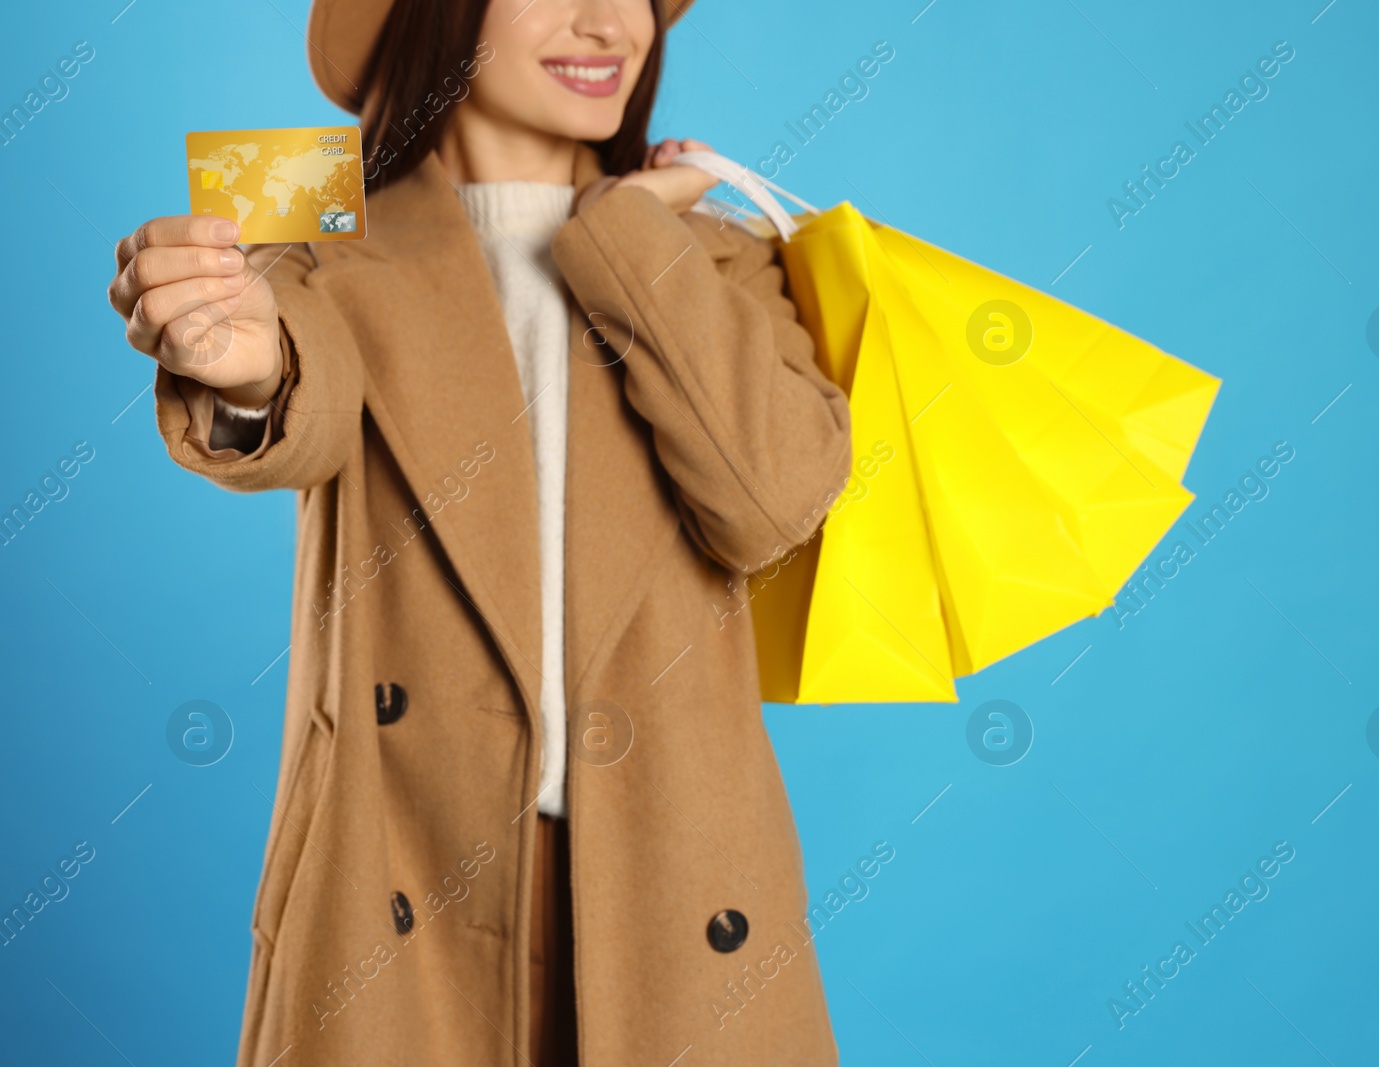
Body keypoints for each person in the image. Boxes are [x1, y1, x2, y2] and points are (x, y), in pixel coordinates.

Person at [105, 1, 852, 1063]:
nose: (606, 24)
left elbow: (769, 500)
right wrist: (241, 362)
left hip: (668, 877)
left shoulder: (714, 253)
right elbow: (293, 386)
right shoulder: (313, 224)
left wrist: (633, 235)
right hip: (401, 869)